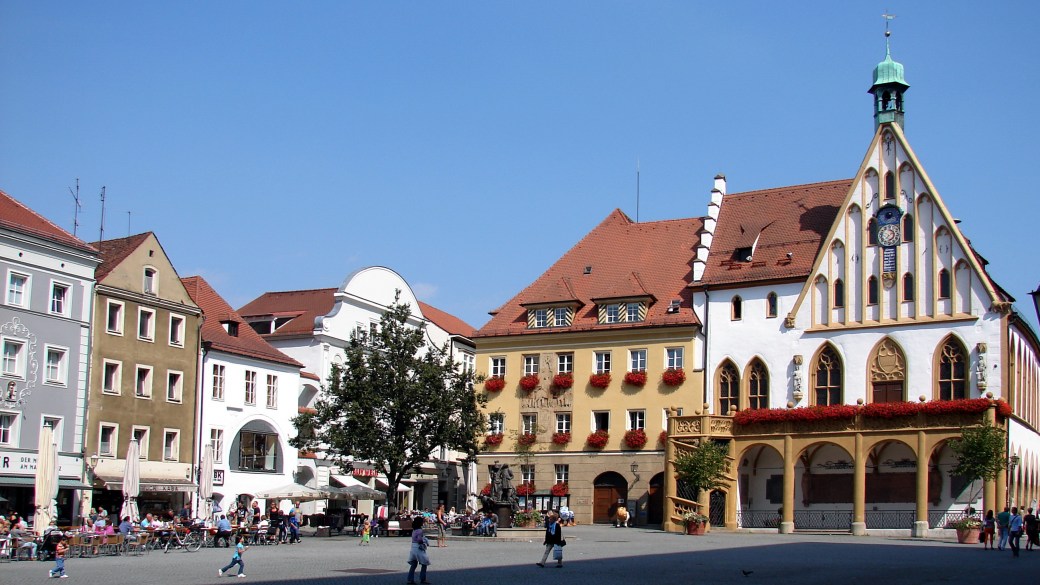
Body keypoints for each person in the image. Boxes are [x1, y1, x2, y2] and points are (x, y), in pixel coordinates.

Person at [406, 517, 431, 585]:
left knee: (414, 564)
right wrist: (425, 540)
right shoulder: (420, 530)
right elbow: (419, 540)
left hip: (413, 547)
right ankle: (423, 579)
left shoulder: (414, 530)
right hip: (418, 548)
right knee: (424, 563)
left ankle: (410, 579)